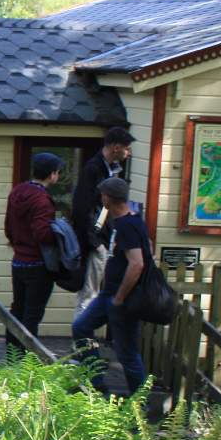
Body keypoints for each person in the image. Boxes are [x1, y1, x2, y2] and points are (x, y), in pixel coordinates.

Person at [71, 177, 150, 395]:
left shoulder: (129, 225)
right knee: (81, 327)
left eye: (103, 195)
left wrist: (120, 298)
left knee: (127, 353)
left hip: (121, 298)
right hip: (109, 294)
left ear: (108, 198)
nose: (101, 198)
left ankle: (139, 403)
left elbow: (137, 264)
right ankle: (96, 382)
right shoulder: (120, 222)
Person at [71, 127, 134, 316]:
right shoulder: (94, 169)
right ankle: (81, 342)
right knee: (89, 293)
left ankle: (83, 340)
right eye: (126, 148)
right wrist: (95, 241)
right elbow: (83, 207)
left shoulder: (108, 169)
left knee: (93, 291)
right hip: (95, 241)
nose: (128, 152)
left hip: (103, 237)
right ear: (116, 147)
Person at [5, 152, 64, 342]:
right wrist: (60, 233)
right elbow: (42, 234)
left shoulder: (17, 192)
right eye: (58, 172)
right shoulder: (42, 201)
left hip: (18, 260)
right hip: (38, 263)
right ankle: (26, 361)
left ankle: (12, 355)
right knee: (32, 315)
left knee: (17, 309)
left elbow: (8, 227)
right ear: (52, 174)